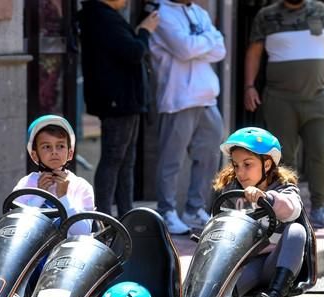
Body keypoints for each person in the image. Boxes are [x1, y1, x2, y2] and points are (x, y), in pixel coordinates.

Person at [244, 0, 324, 230]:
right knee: (284, 158)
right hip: (280, 99)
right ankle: (289, 210)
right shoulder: (266, 16)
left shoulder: (321, 12)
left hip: (316, 98)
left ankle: (320, 209)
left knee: (319, 155)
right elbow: (254, 52)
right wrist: (249, 86)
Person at [149, 0, 225, 235]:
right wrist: (208, 41)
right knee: (171, 160)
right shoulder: (161, 14)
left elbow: (221, 49)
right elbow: (184, 49)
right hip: (178, 98)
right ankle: (167, 211)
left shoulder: (199, 12)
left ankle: (195, 209)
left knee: (210, 157)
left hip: (207, 97)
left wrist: (199, 45)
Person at [77, 0, 159, 216]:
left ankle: (125, 215)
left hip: (125, 101)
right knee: (113, 160)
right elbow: (133, 52)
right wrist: (144, 32)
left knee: (125, 162)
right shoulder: (101, 16)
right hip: (117, 102)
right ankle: (103, 217)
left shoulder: (105, 15)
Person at [214, 127, 306, 297]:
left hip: (277, 263)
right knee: (219, 296)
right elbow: (221, 225)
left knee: (296, 231)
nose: (240, 172)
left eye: (248, 165)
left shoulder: (284, 189)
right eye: (236, 165)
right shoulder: (231, 193)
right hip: (246, 263)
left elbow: (292, 210)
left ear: (266, 165)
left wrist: (266, 197)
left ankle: (275, 295)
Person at [15, 115, 95, 236]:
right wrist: (39, 194)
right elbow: (16, 228)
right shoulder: (26, 184)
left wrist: (64, 197)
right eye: (46, 147)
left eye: (60, 146)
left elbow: (82, 232)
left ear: (70, 153)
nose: (54, 152)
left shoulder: (82, 187)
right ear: (34, 155)